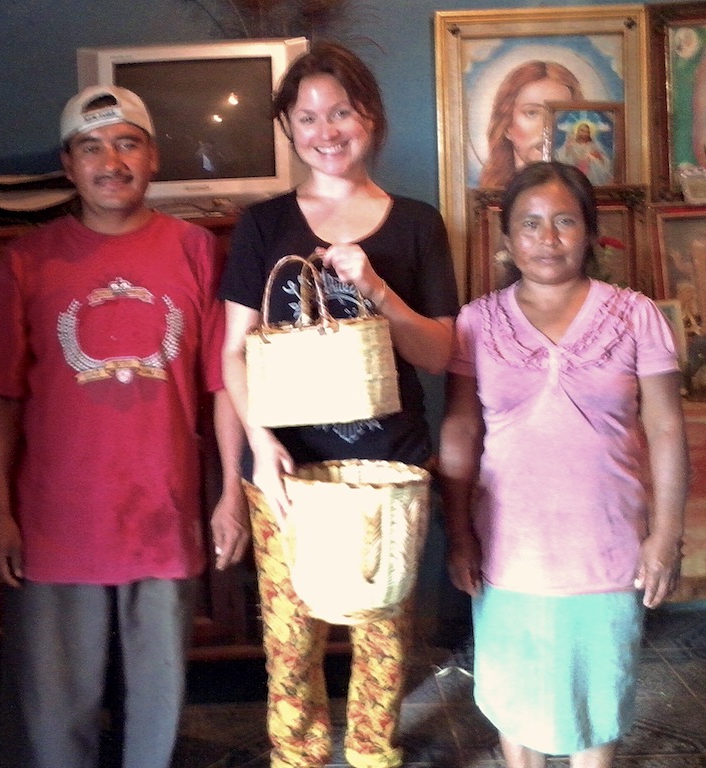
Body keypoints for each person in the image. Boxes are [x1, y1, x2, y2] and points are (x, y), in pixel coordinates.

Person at [0, 85, 250, 768]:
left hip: (163, 510)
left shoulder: (195, 251)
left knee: (157, 711)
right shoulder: (27, 260)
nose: (111, 161)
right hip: (57, 521)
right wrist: (0, 514)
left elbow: (223, 383)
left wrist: (230, 495)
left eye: (127, 143)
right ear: (69, 164)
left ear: (152, 157)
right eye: (92, 146)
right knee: (54, 720)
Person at [219, 41, 458, 768]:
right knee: (290, 639)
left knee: (383, 631)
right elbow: (232, 350)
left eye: (342, 112)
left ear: (372, 119)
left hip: (391, 467)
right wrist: (260, 443)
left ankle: (372, 755)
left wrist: (379, 286)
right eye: (307, 116)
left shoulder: (416, 223)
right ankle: (296, 758)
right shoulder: (264, 226)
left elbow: (440, 353)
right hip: (289, 472)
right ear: (289, 128)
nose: (326, 130)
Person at [439, 160, 689, 768]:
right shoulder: (476, 322)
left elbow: (664, 427)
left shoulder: (635, 315)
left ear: (589, 232)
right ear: (506, 238)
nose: (546, 238)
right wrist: (459, 533)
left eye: (564, 222)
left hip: (604, 549)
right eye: (529, 224)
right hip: (509, 549)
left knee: (596, 700)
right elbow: (462, 429)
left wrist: (666, 536)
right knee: (514, 695)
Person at [478, 61, 583, 188]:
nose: (547, 127)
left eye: (559, 114)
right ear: (506, 125)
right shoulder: (490, 193)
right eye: (532, 113)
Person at [555, 121, 612, 186]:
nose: (584, 133)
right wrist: (568, 149)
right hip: (574, 173)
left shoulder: (592, 145)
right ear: (577, 132)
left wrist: (598, 157)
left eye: (587, 132)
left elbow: (603, 160)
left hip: (590, 174)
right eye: (582, 131)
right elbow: (562, 159)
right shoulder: (571, 144)